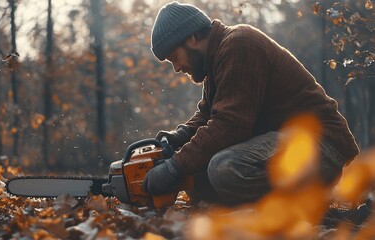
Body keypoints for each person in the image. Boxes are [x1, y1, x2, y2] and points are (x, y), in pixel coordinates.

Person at [142, 1, 359, 206]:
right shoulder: (216, 61)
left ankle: (302, 211)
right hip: (287, 146)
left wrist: (174, 167)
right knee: (196, 178)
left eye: (174, 57)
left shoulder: (239, 44)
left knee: (224, 168)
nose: (177, 68)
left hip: (321, 145)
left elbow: (230, 125)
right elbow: (209, 115)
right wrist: (180, 136)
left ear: (191, 38)